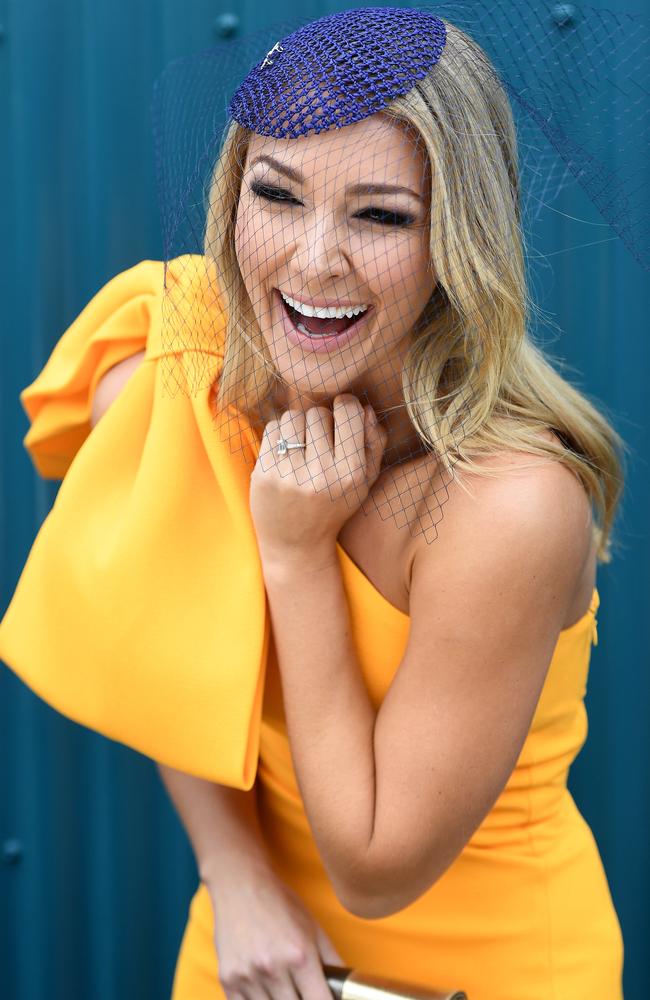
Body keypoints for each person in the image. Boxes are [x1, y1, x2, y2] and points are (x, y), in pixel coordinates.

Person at [0, 7, 629, 999]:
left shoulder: (507, 503)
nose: (310, 261)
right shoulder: (184, 380)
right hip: (255, 953)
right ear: (230, 197)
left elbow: (377, 864)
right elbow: (165, 658)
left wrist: (293, 552)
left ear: (455, 240)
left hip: (491, 968)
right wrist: (237, 872)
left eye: (379, 215)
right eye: (277, 196)